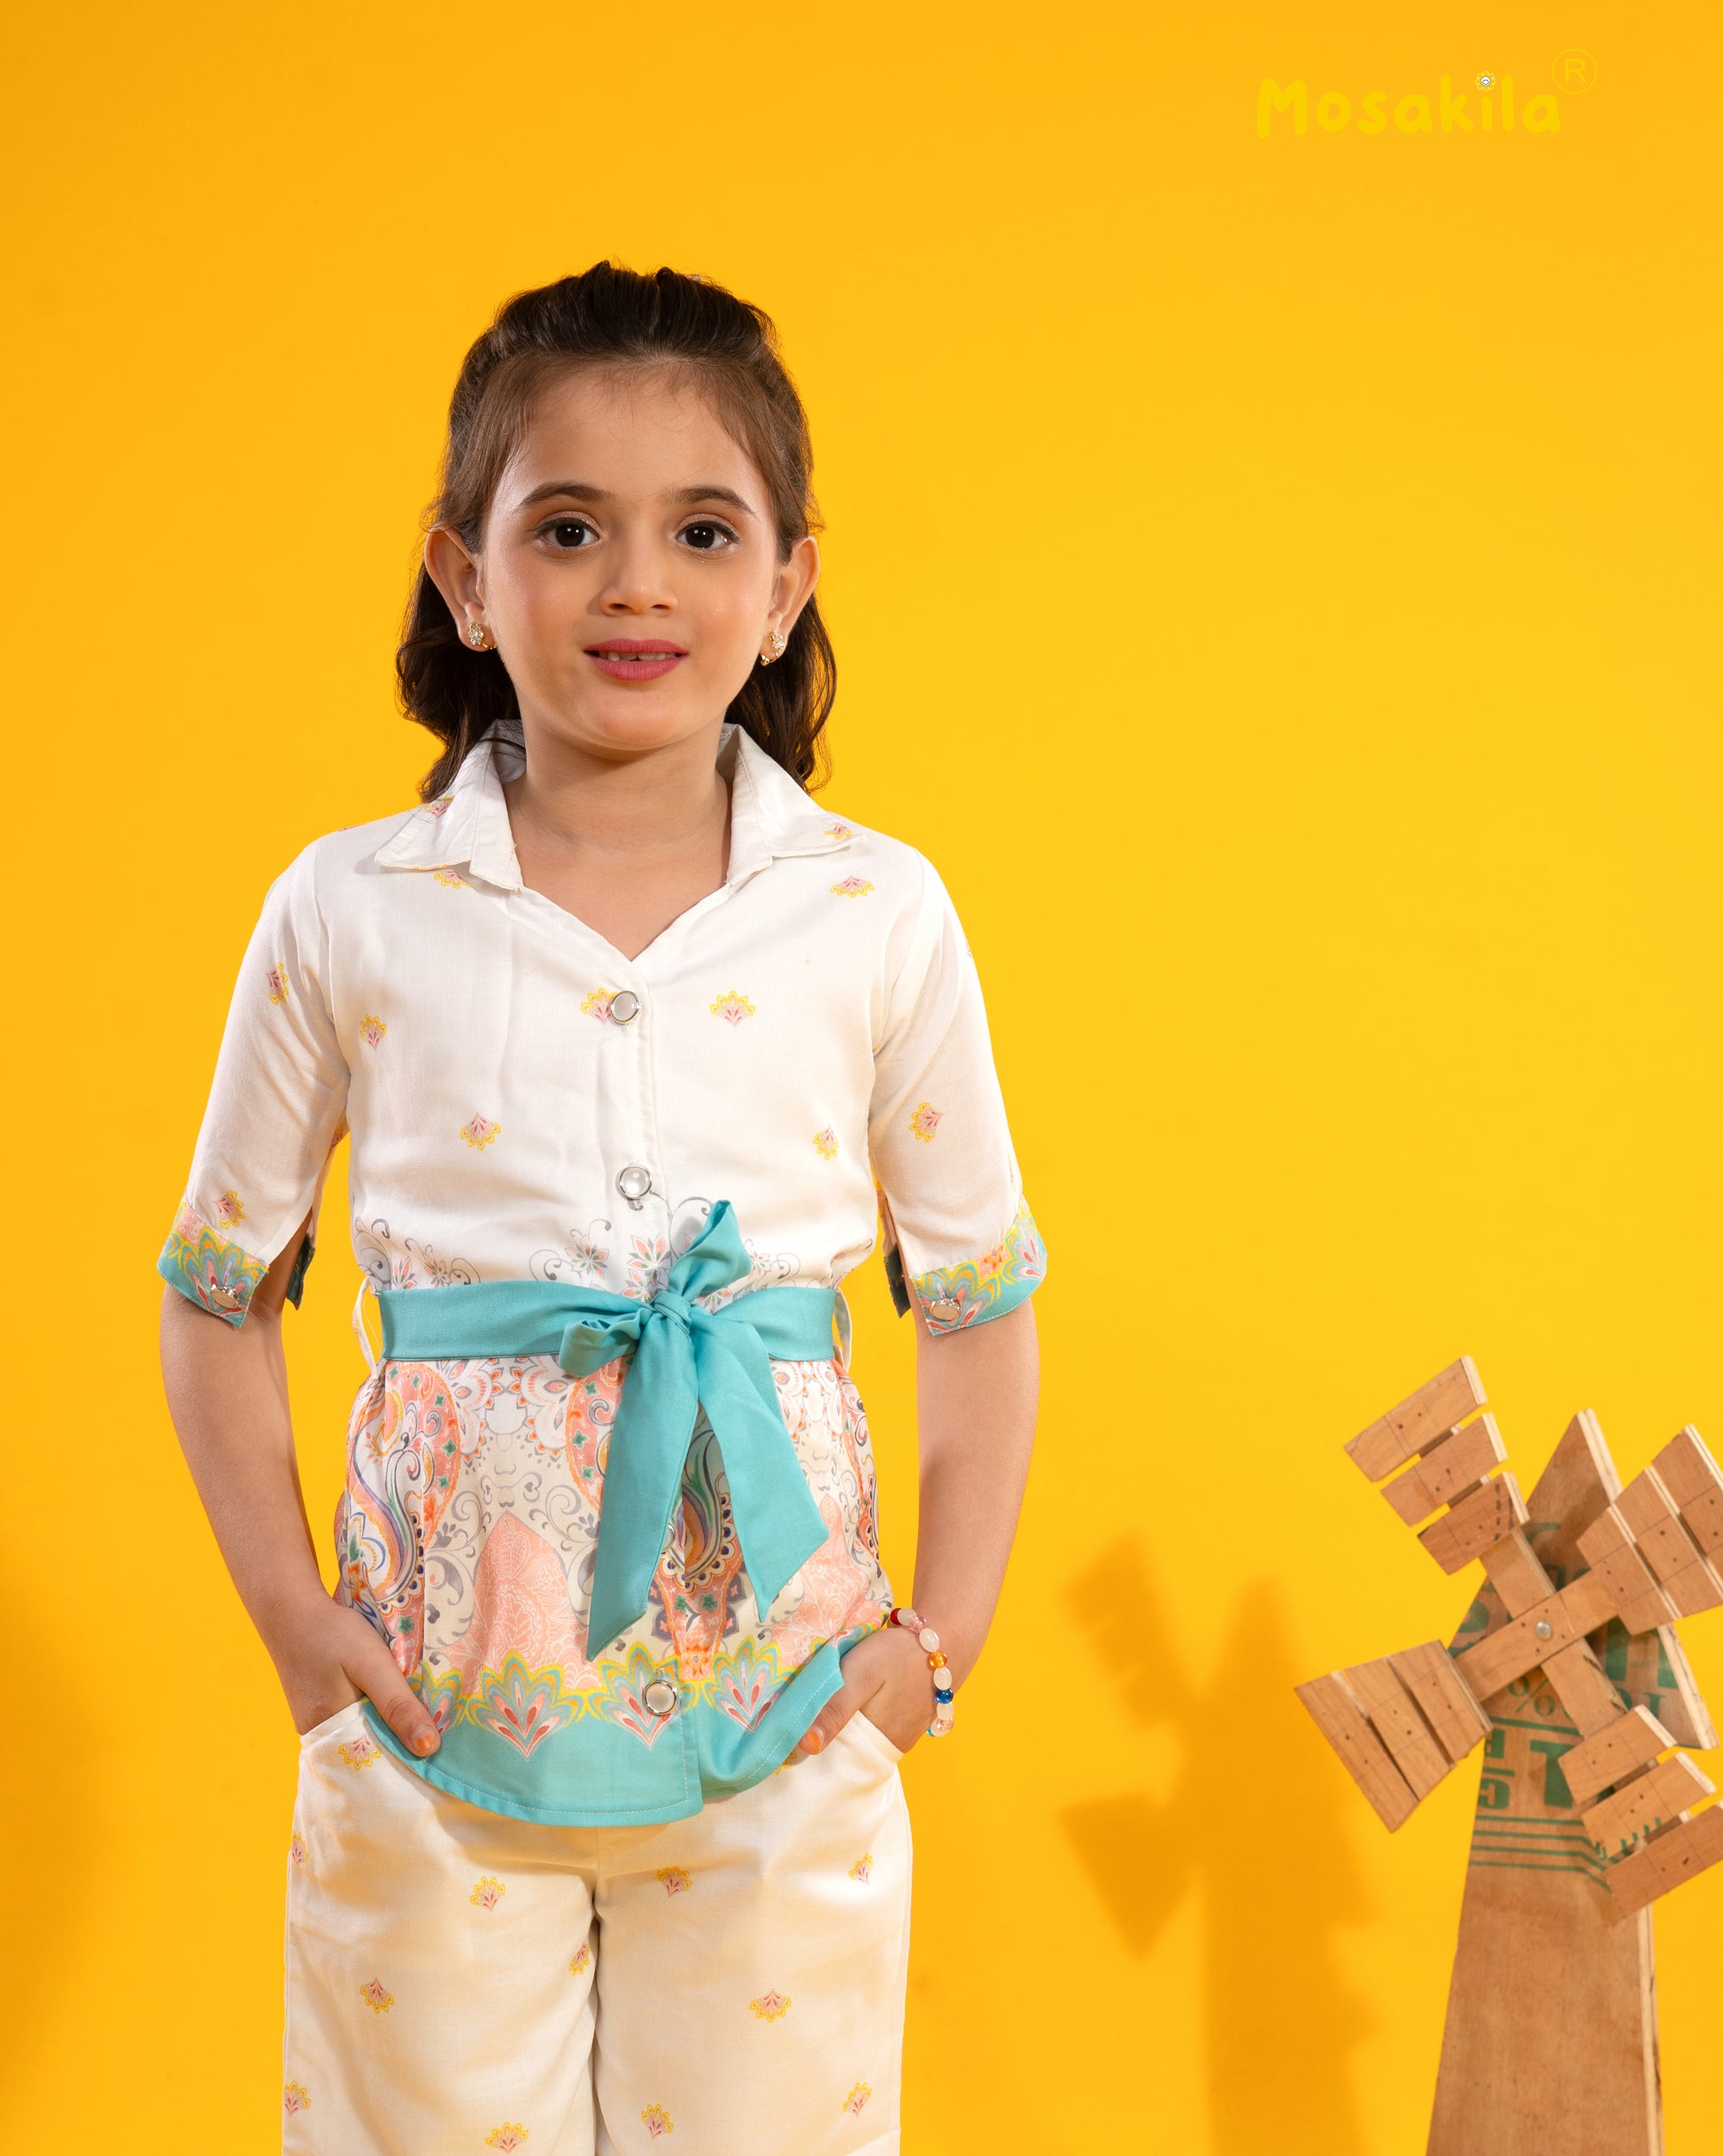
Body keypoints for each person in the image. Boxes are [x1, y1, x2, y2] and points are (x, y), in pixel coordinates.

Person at [158, 261, 1045, 2156]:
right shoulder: (350, 908)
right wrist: (295, 1628)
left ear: (785, 585)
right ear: (465, 578)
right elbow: (216, 1287)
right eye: (566, 529)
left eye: (701, 532)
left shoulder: (874, 911)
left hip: (789, 1725)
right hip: (429, 1729)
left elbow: (978, 1297)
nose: (636, 583)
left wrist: (933, 1651)